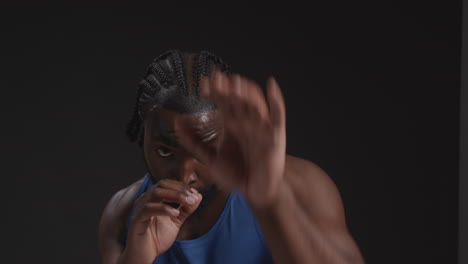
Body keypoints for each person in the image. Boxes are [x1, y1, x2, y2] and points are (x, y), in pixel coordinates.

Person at [97, 50, 366, 264]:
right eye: (165, 151)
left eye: (205, 152)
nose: (185, 175)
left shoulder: (302, 184)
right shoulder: (123, 213)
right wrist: (138, 260)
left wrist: (271, 204)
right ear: (142, 135)